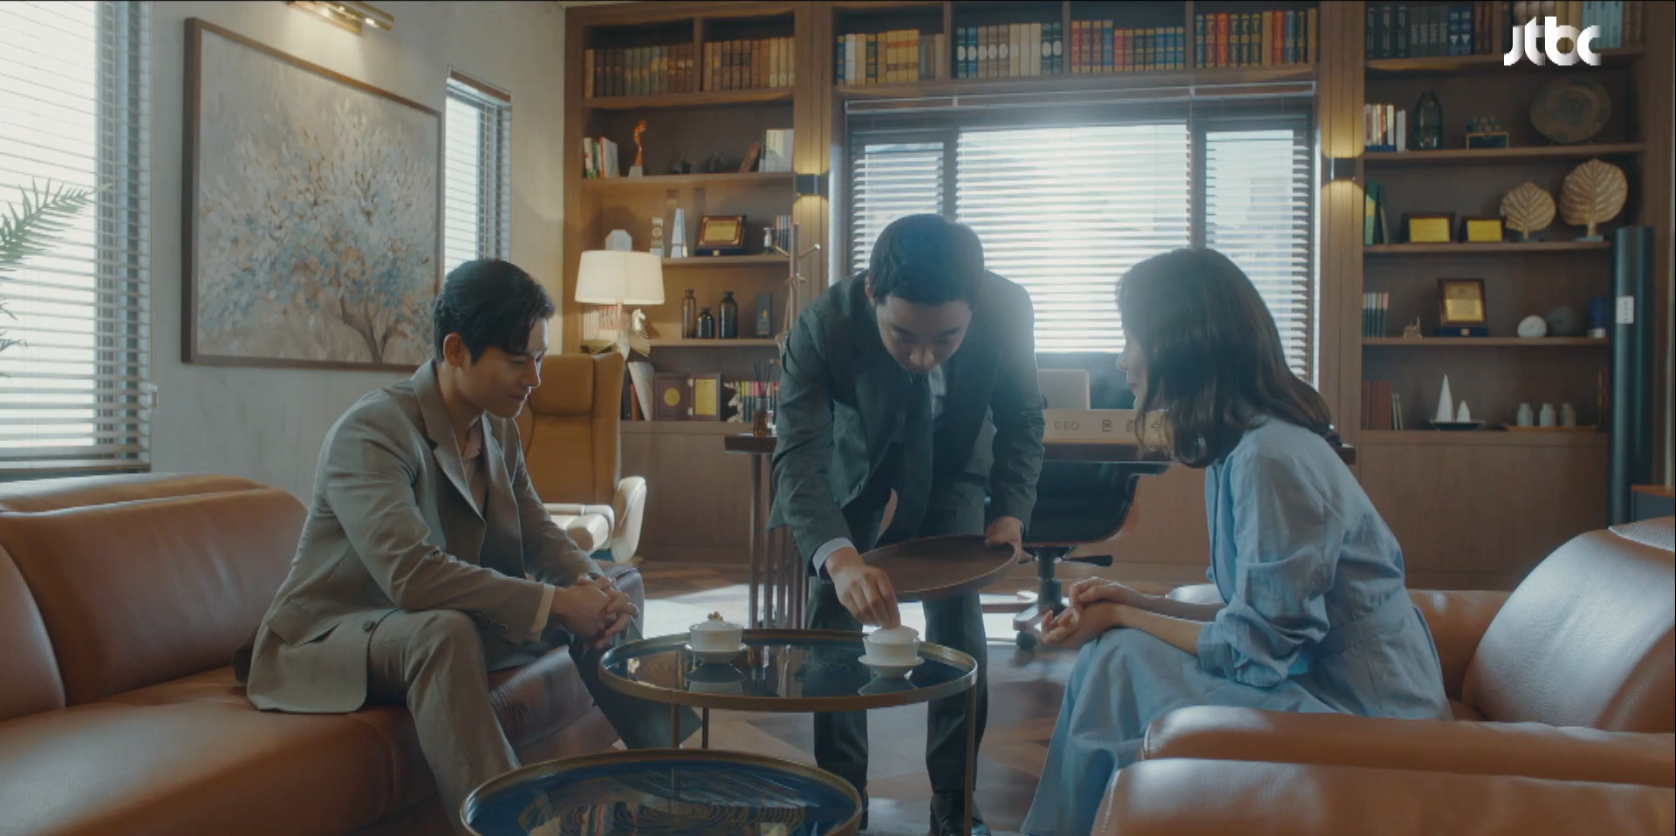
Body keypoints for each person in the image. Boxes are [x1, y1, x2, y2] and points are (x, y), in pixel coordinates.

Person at [234, 259, 690, 833]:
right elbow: (413, 576)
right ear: (455, 350)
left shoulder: (498, 428)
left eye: (541, 358)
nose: (535, 378)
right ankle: (509, 826)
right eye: (518, 361)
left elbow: (538, 534)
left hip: (432, 618)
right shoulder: (373, 432)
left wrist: (593, 587)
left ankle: (691, 789)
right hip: (333, 633)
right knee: (445, 632)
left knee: (604, 603)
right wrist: (555, 603)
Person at [1021, 249, 1450, 836]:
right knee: (1112, 652)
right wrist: (1136, 601)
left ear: (1182, 344)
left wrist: (1124, 615)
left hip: (1373, 716)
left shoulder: (1270, 458)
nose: (1122, 359)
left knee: (1119, 659)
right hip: (1320, 682)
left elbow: (1256, 649)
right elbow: (1253, 613)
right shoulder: (1240, 447)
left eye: (1132, 338)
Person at [770, 214, 1046, 836]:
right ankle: (843, 798)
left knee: (958, 626)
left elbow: (1023, 416)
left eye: (946, 339)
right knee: (832, 614)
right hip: (858, 463)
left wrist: (1010, 511)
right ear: (872, 292)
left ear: (974, 307)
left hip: (954, 466)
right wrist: (841, 560)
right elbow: (798, 456)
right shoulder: (823, 324)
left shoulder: (1007, 309)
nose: (923, 357)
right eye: (903, 336)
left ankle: (954, 800)